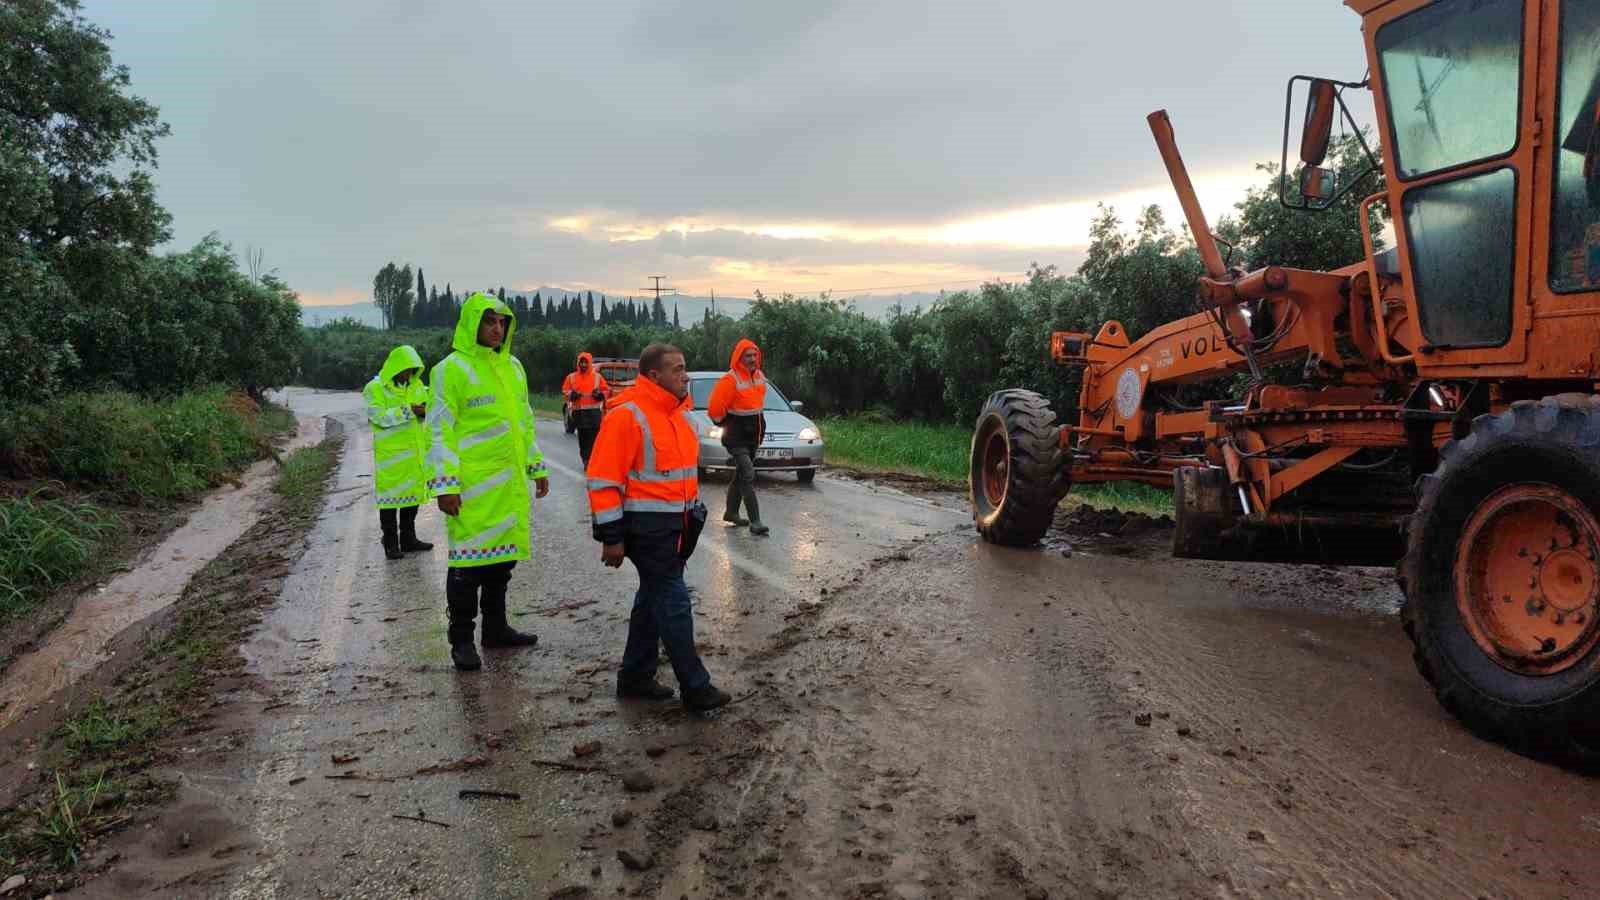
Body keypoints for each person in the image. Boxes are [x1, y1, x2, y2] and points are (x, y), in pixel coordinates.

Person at [587, 342, 731, 712]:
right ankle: (695, 688)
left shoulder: (680, 416)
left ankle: (634, 678)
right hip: (646, 530)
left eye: (685, 368)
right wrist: (612, 538)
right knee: (674, 601)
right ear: (654, 375)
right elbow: (603, 482)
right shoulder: (627, 416)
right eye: (678, 369)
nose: (685, 376)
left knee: (652, 600)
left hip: (678, 526)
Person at [425, 291, 548, 671]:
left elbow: (523, 423)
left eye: (502, 322)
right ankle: (461, 639)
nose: (497, 329)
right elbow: (439, 430)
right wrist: (445, 484)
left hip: (508, 486)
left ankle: (496, 629)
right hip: (472, 489)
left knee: (502, 563)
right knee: (467, 567)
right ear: (471, 324)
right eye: (489, 321)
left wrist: (536, 466)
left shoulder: (513, 367)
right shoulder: (451, 370)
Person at [364, 345, 434, 560]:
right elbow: (378, 417)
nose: (409, 374)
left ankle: (409, 539)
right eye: (406, 369)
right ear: (395, 367)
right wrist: (409, 411)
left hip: (414, 454)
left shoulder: (416, 385)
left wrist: (425, 410)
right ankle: (391, 543)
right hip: (391, 458)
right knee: (390, 501)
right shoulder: (375, 388)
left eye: (413, 369)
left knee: (411, 498)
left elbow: (429, 405)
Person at [707, 338, 770, 535]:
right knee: (748, 474)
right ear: (739, 358)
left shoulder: (759, 376)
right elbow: (715, 409)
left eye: (754, 355)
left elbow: (757, 407)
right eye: (748, 356)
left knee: (741, 474)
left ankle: (731, 513)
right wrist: (726, 425)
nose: (752, 359)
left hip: (754, 435)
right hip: (736, 437)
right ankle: (756, 521)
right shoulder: (730, 379)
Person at [561, 351, 610, 465]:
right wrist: (571, 395)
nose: (583, 365)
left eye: (585, 362)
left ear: (590, 363)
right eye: (581, 362)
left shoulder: (597, 377)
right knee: (583, 438)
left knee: (594, 438)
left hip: (594, 413)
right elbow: (565, 390)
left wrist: (600, 395)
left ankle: (592, 460)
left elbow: (606, 390)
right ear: (578, 363)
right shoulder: (571, 377)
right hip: (579, 413)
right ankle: (586, 460)